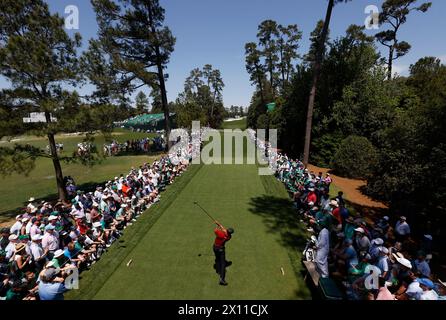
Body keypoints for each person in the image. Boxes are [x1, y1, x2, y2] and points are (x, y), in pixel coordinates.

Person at [212, 221, 234, 286]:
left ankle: (219, 272)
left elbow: (215, 230)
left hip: (215, 247)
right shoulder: (229, 237)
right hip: (221, 249)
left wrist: (217, 226)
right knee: (222, 262)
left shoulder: (220, 233)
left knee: (218, 260)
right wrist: (219, 224)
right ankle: (222, 278)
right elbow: (224, 230)